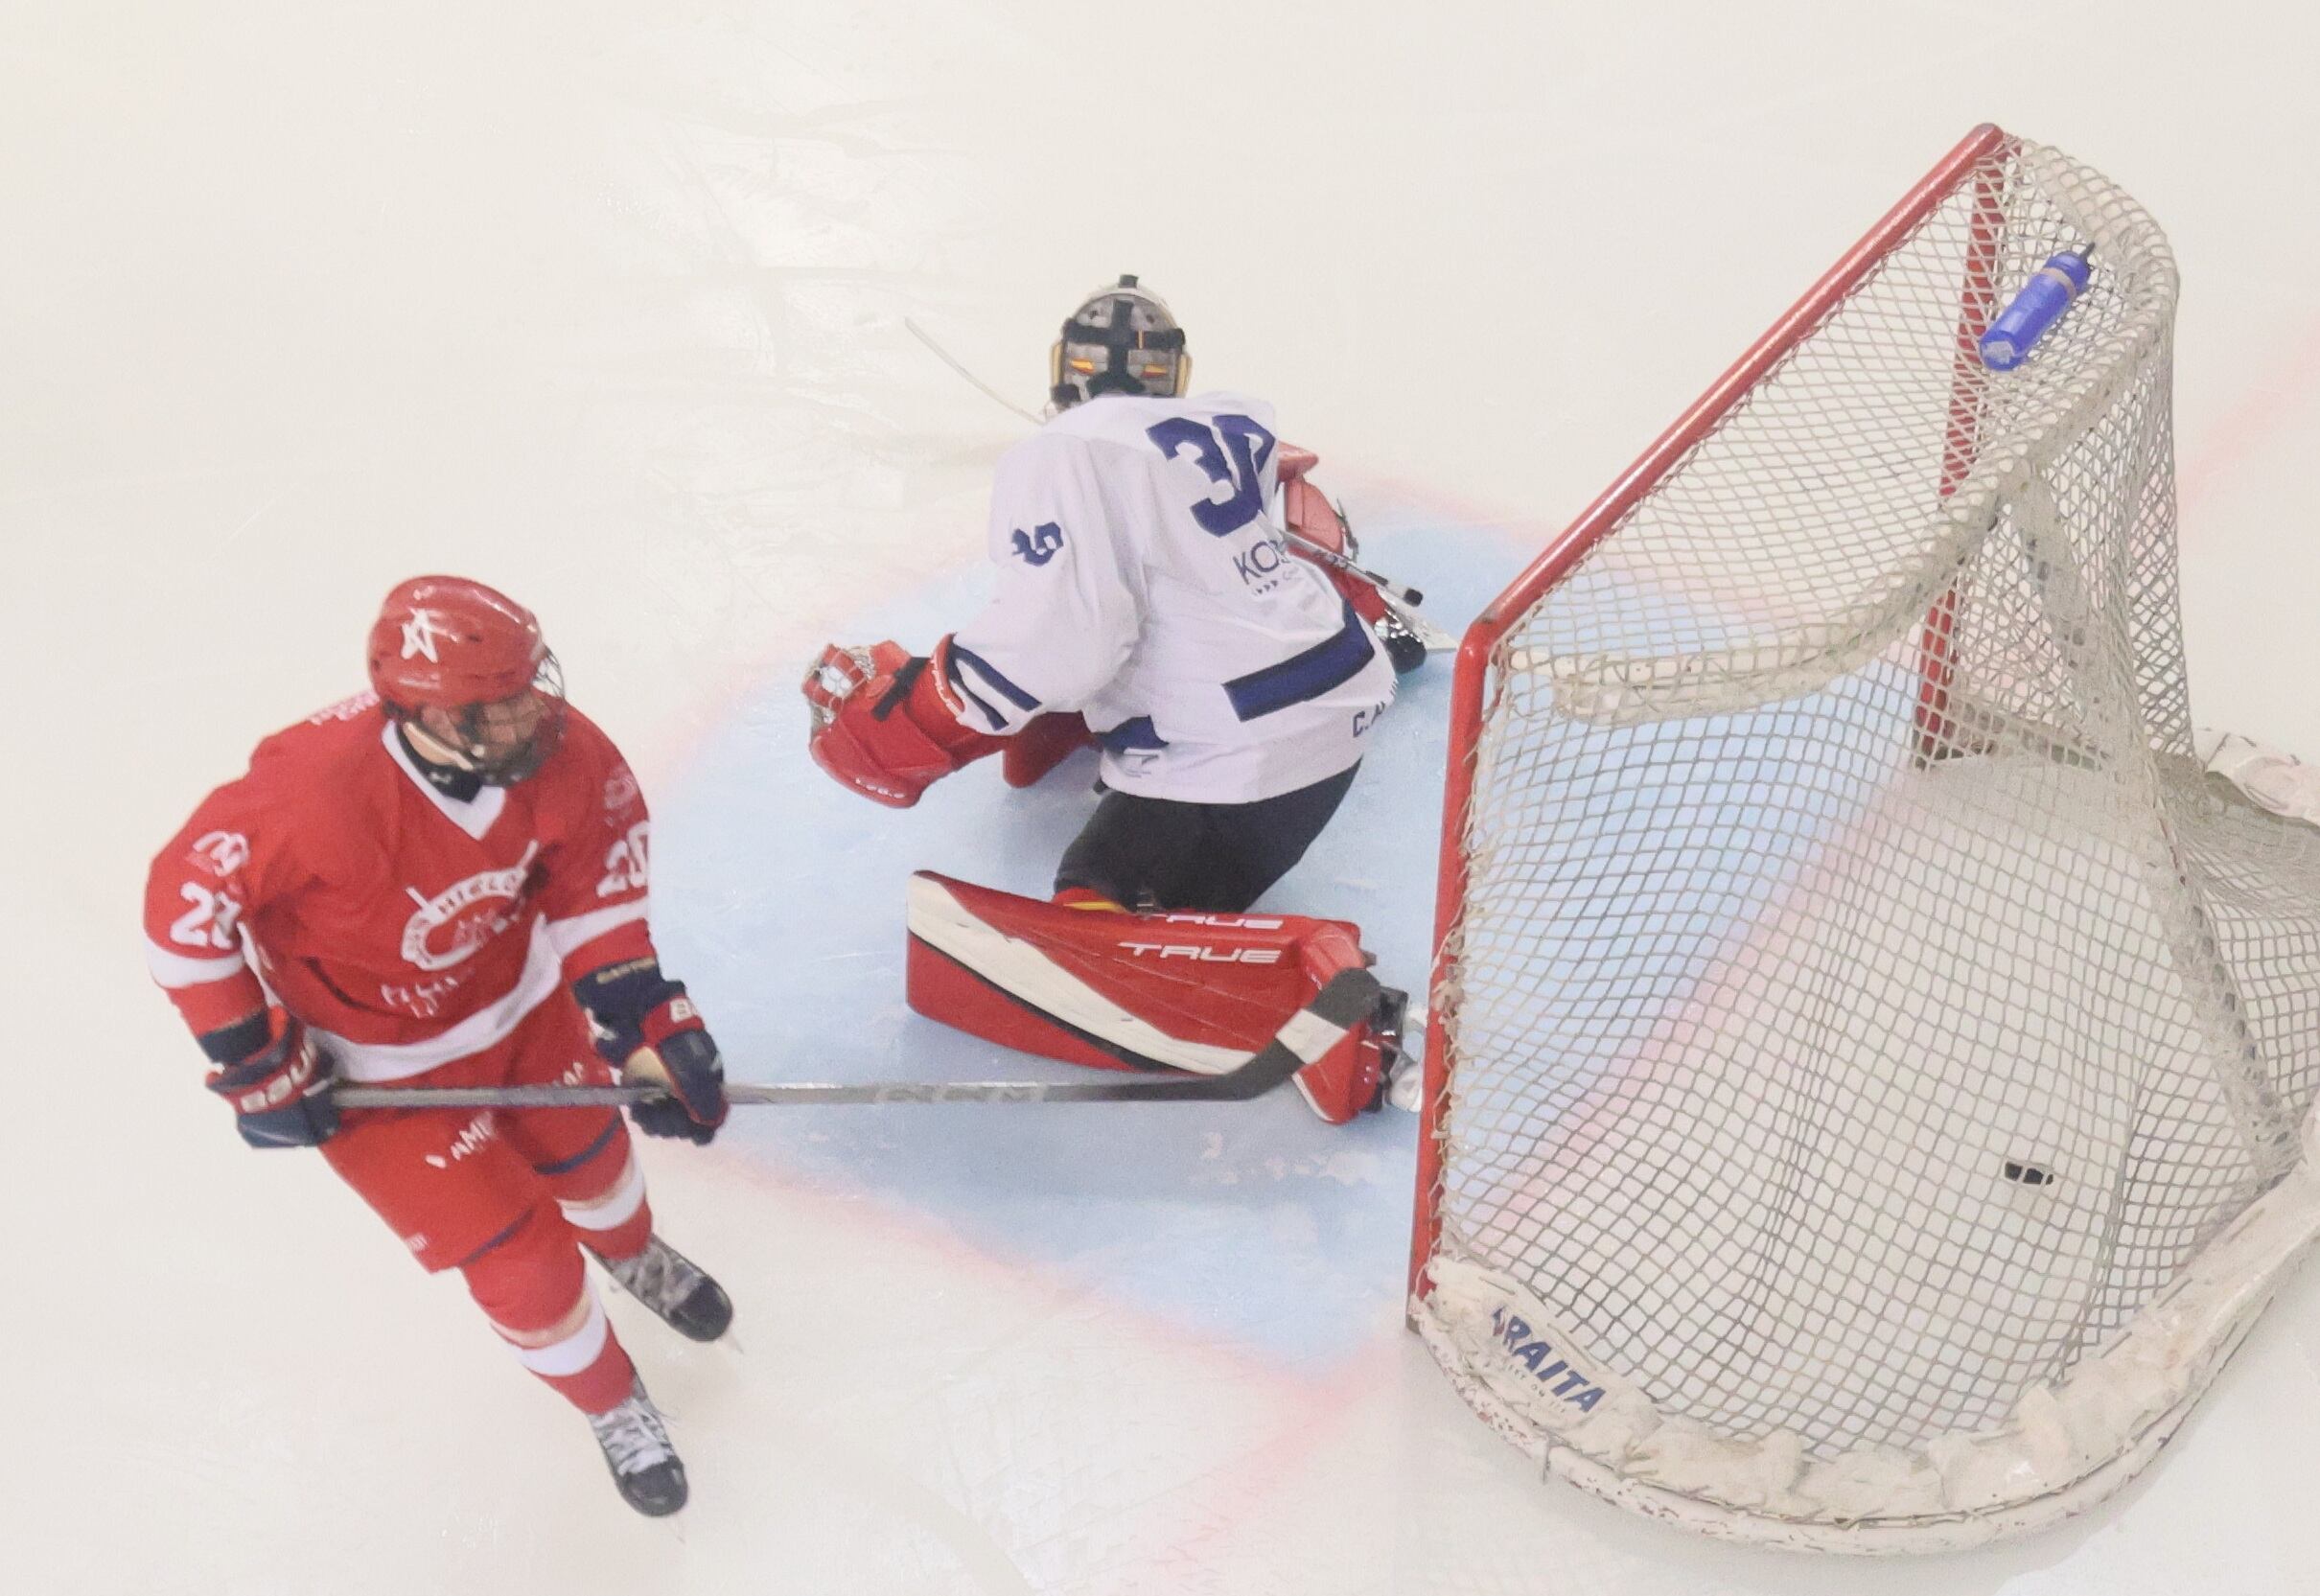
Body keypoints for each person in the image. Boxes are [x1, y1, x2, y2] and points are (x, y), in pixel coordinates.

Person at [143, 576, 731, 1516]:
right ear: (422, 713)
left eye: (527, 687)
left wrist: (651, 1028)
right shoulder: (308, 791)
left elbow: (596, 896)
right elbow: (180, 919)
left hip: (524, 1009)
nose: (528, 717)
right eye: (495, 708)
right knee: (526, 1272)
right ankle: (611, 1400)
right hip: (380, 1075)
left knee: (598, 1165)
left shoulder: (565, 755)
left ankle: (632, 1255)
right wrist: (258, 1061)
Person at [803, 278, 1404, 1122]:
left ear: (1065, 370)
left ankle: (1321, 997)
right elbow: (1296, 549)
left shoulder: (1065, 451)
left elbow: (1063, 638)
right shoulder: (1221, 422)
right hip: (1338, 698)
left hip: (1246, 762)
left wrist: (924, 710)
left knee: (1097, 881)